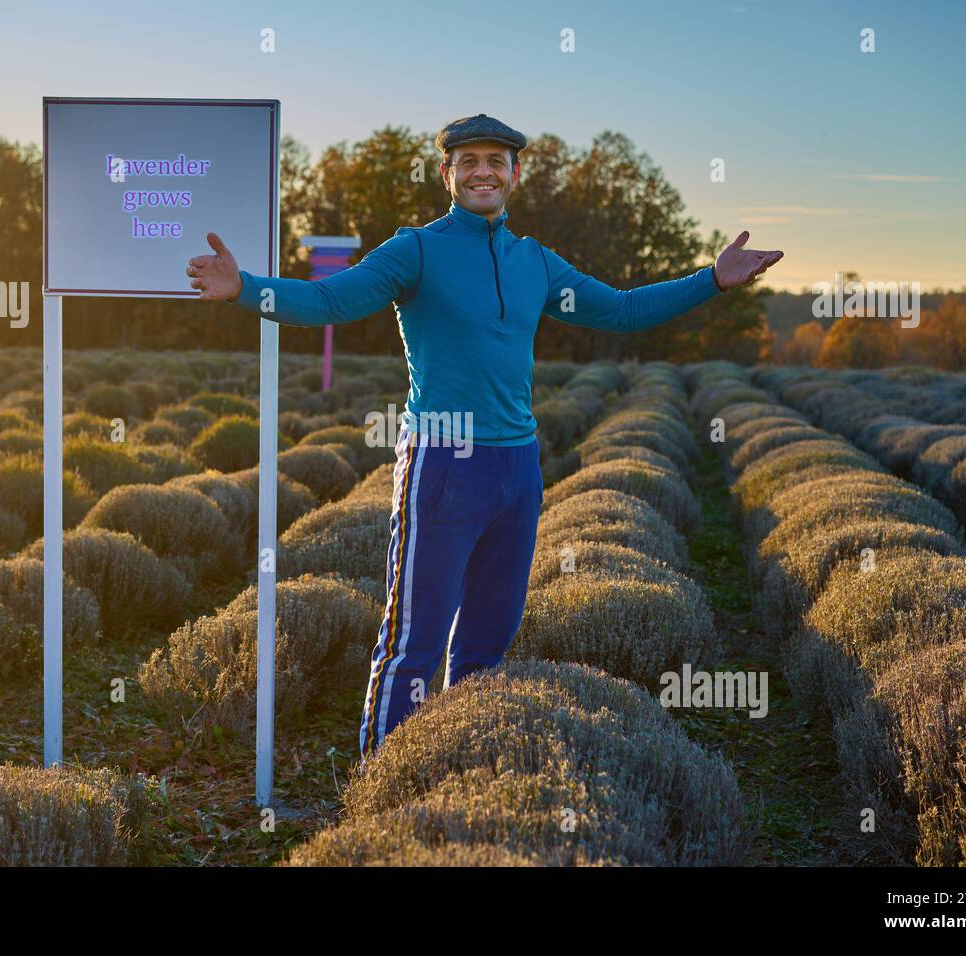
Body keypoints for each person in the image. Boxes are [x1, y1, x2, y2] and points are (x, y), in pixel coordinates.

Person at [186, 113, 783, 762]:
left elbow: (623, 310)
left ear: (514, 174)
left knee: (486, 645)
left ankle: (454, 768)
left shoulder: (535, 262)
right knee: (413, 642)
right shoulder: (415, 249)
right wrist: (245, 290)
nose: (483, 172)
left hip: (518, 470)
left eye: (496, 161)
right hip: (443, 466)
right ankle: (384, 787)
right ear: (447, 174)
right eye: (468, 161)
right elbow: (330, 303)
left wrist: (712, 280)